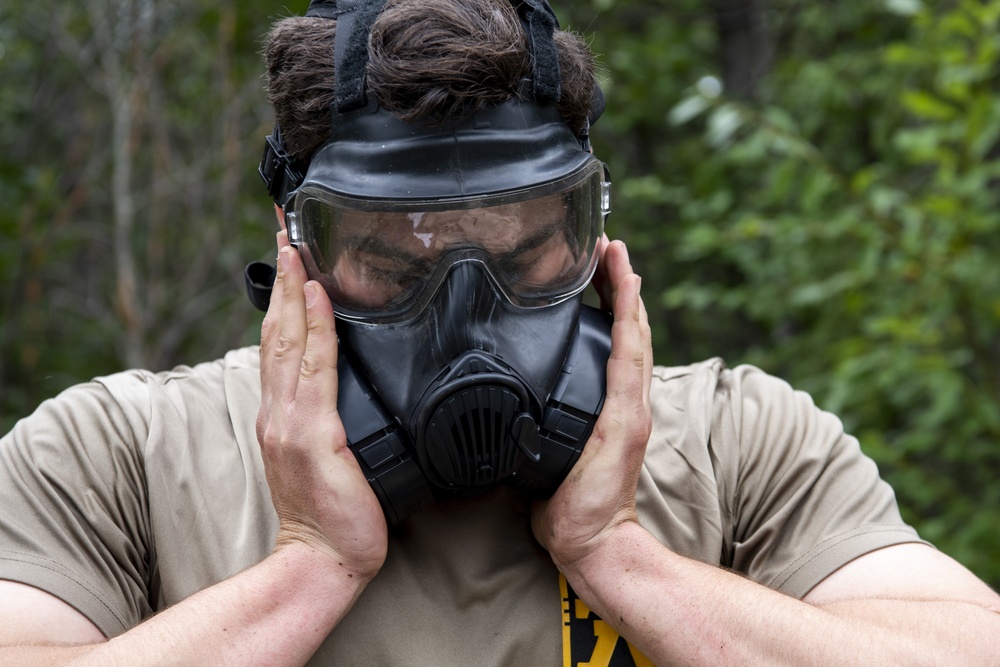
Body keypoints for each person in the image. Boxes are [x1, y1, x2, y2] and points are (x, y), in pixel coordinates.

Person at [1, 0, 998, 664]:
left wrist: (621, 555)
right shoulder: (117, 453)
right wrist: (311, 567)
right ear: (294, 242)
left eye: (527, 260)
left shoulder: (738, 439)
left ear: (594, 237)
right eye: (395, 264)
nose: (465, 315)